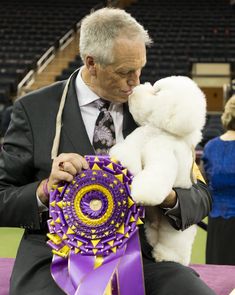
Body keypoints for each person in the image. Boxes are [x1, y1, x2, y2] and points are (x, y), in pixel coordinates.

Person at [0, 7, 215, 295]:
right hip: (55, 259)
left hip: (141, 258)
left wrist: (166, 196)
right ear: (91, 63)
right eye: (125, 72)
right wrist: (44, 190)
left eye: (140, 69)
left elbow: (201, 197)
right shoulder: (33, 110)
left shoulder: (155, 108)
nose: (136, 82)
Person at [201, 95, 235, 265]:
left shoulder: (210, 147)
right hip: (220, 220)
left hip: (217, 224)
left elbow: (203, 185)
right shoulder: (210, 147)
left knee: (219, 280)